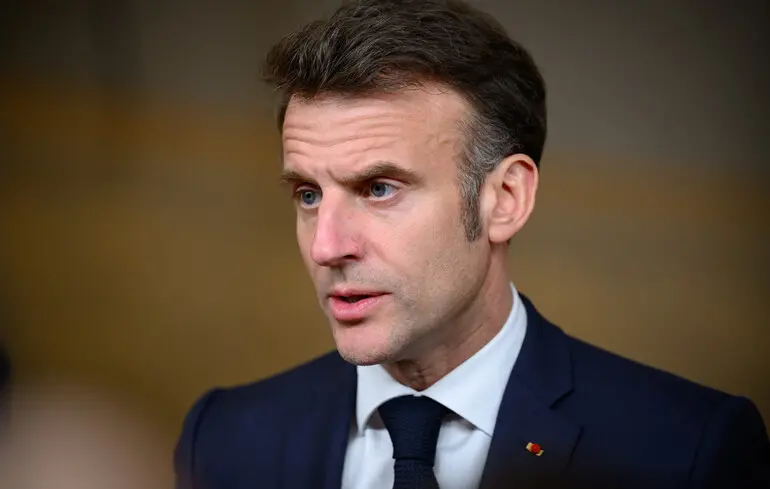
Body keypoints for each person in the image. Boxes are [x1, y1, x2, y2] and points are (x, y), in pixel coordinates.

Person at [173, 1, 770, 488]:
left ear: (505, 198)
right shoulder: (223, 440)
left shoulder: (685, 451)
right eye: (308, 194)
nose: (326, 247)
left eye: (379, 189)